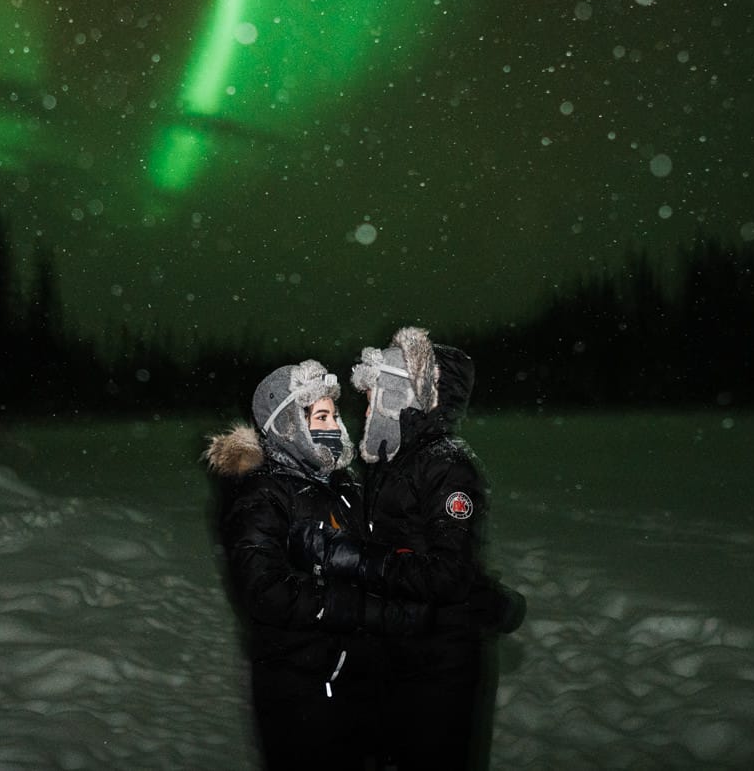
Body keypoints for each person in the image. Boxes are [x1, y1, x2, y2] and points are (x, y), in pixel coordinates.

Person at [292, 327, 523, 771]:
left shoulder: (446, 466)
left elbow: (446, 574)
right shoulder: (392, 461)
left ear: (407, 396)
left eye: (377, 392)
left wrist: (353, 557)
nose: (367, 405)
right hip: (398, 653)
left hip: (440, 665)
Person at [206, 359, 431, 770]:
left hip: (354, 682)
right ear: (289, 425)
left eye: (334, 414)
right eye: (321, 415)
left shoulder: (340, 484)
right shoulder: (262, 496)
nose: (335, 425)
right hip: (302, 689)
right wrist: (355, 607)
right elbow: (264, 590)